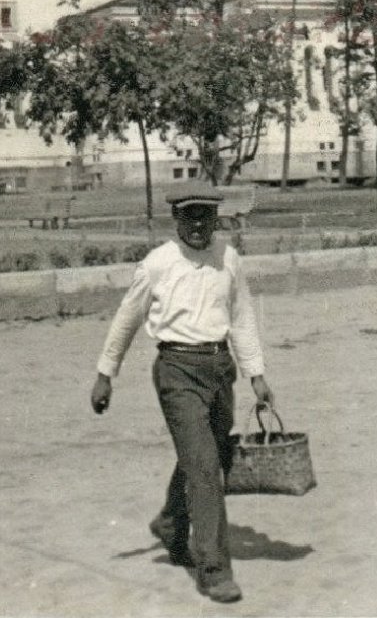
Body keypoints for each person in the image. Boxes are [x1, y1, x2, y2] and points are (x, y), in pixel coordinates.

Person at [90, 182, 275, 605]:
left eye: (205, 216)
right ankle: (213, 570)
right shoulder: (157, 264)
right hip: (176, 370)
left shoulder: (229, 259)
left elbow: (242, 317)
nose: (197, 225)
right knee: (205, 468)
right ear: (176, 219)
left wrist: (256, 375)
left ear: (216, 218)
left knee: (213, 456)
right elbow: (126, 319)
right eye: (189, 216)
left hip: (220, 366)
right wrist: (106, 373)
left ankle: (173, 523)